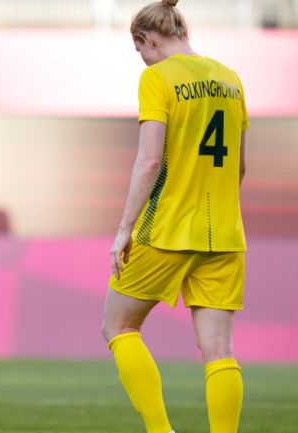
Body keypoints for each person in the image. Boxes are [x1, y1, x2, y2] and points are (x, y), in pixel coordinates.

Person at [101, 1, 248, 433]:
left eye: (139, 50)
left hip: (164, 229)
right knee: (219, 350)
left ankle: (161, 431)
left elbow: (149, 162)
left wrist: (124, 229)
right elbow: (239, 167)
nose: (142, 59)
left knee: (119, 326)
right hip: (225, 235)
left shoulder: (157, 78)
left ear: (148, 40)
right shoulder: (231, 79)